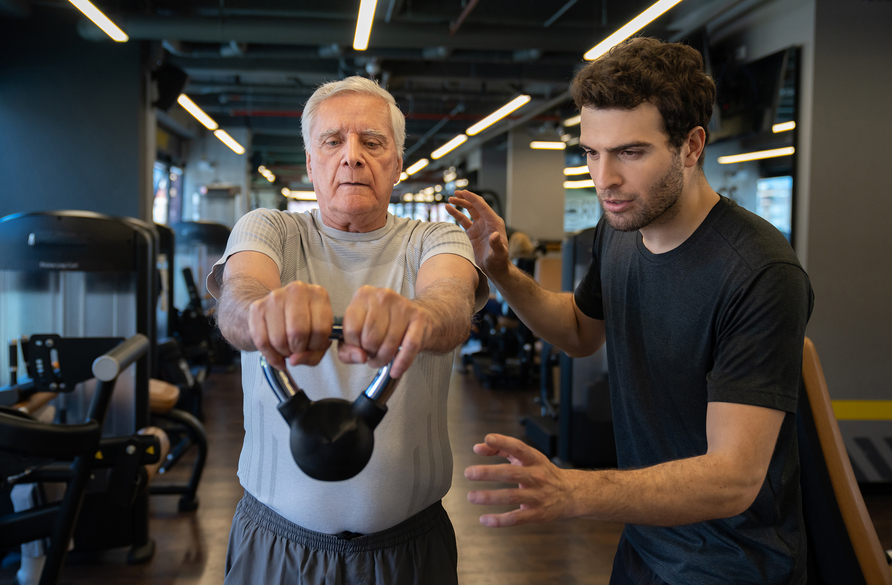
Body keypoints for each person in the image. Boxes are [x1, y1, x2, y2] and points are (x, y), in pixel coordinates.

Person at [446, 37, 814, 585]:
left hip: (731, 564)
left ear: (691, 146)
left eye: (630, 152)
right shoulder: (621, 232)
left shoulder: (759, 273)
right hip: (645, 542)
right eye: (593, 152)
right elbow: (577, 330)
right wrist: (501, 271)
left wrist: (575, 490)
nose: (604, 179)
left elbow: (733, 477)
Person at [208, 76, 488, 585]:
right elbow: (239, 297)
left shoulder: (436, 237)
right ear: (310, 162)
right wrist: (260, 314)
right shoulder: (269, 228)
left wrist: (416, 318)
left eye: (373, 142)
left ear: (398, 164)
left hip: (409, 547)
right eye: (333, 141)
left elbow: (450, 303)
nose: (352, 157)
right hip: (275, 543)